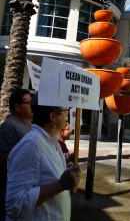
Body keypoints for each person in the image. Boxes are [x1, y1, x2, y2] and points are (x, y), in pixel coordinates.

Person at [5, 93, 80, 221]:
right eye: (65, 112)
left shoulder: (52, 141)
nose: (66, 116)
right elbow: (15, 205)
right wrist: (60, 185)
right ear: (53, 116)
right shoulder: (32, 145)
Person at [0, 88, 32, 221]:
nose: (32, 105)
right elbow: (2, 159)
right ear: (18, 107)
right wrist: (25, 150)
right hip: (11, 189)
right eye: (29, 103)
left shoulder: (29, 123)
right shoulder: (9, 127)